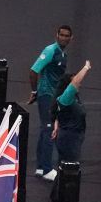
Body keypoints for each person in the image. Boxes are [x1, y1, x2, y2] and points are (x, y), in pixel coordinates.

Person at [29, 25, 73, 179]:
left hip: (53, 96)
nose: (64, 38)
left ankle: (41, 167)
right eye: (61, 35)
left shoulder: (63, 54)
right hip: (47, 95)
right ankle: (47, 169)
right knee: (49, 129)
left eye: (67, 36)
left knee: (45, 129)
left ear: (70, 38)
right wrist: (35, 91)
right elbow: (34, 71)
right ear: (56, 35)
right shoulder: (51, 51)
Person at [50, 60, 92, 196]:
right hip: (69, 139)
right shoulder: (66, 98)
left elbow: (57, 115)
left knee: (64, 168)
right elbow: (74, 83)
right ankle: (63, 199)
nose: (79, 83)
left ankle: (56, 197)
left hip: (71, 138)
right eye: (76, 81)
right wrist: (85, 68)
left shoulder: (72, 98)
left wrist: (56, 126)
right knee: (69, 169)